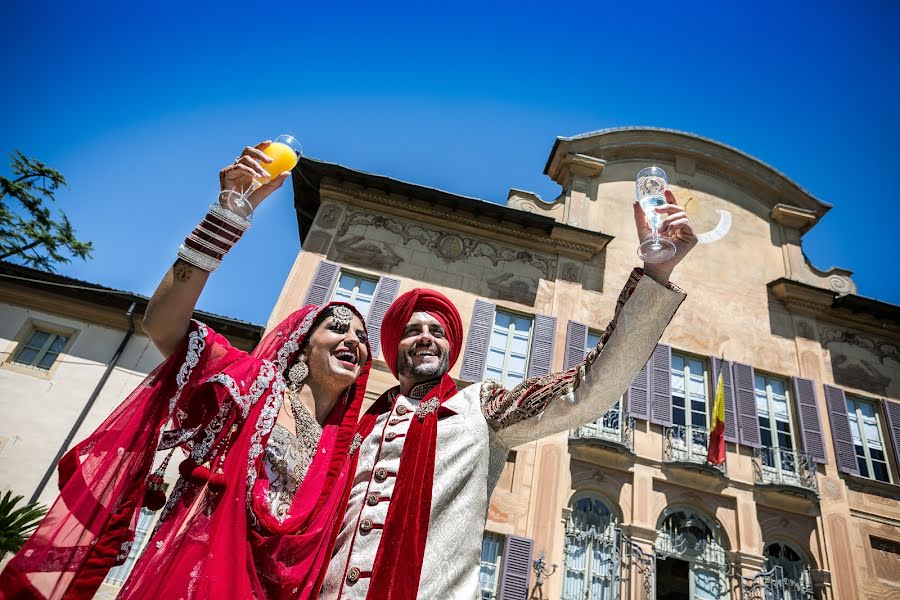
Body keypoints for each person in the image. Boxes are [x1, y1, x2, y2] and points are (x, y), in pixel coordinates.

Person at [1, 143, 370, 600]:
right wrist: (225, 219)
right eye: (337, 327)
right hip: (192, 577)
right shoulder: (250, 385)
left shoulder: (352, 446)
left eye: (362, 338)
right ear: (299, 345)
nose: (354, 339)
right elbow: (161, 323)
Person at [320, 190, 697, 599]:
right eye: (413, 330)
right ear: (394, 346)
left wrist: (655, 274)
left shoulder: (482, 408)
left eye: (438, 331)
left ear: (452, 347)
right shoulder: (358, 425)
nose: (426, 337)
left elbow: (586, 388)